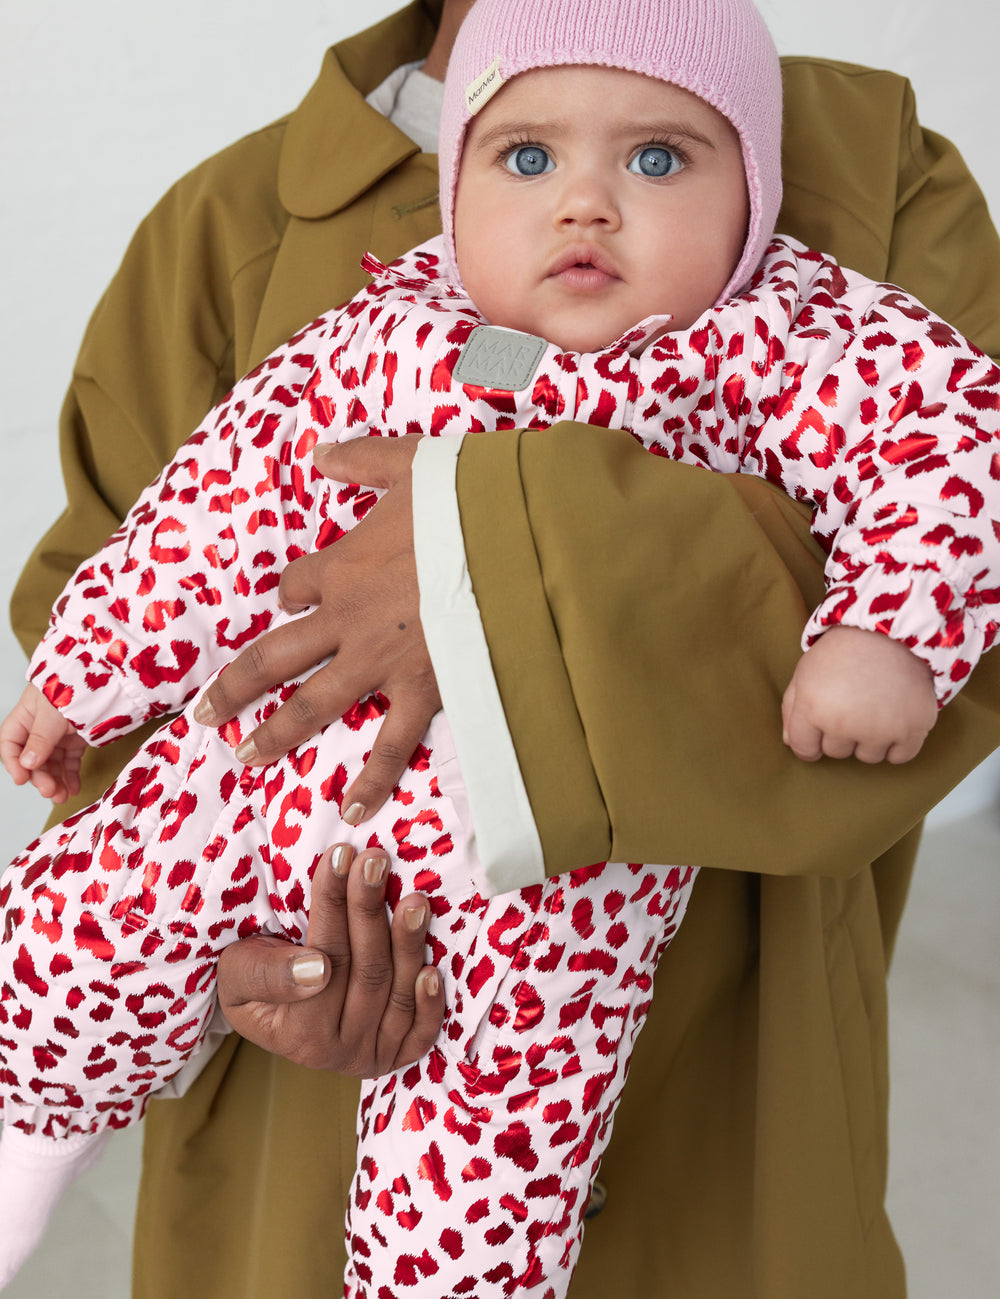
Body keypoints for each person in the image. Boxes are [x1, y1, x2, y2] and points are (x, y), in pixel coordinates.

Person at [2, 2, 1000, 1294]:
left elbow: (951, 485)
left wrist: (490, 557)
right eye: (525, 159)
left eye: (656, 160)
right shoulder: (246, 230)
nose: (585, 204)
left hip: (648, 980)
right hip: (273, 959)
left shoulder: (865, 187)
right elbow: (187, 525)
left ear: (747, 188)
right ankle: (29, 1131)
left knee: (492, 1154)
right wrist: (90, 696)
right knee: (84, 922)